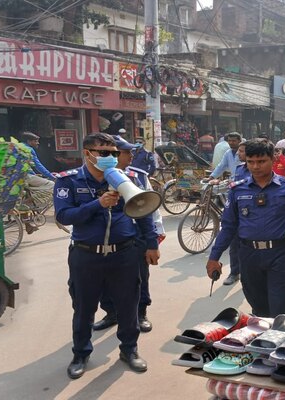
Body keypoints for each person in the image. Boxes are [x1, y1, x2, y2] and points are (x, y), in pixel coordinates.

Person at [54, 133, 159, 379]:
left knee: (128, 304)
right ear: (87, 153)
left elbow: (144, 214)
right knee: (83, 307)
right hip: (86, 255)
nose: (110, 158)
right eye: (104, 153)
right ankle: (80, 353)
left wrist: (151, 244)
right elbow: (64, 216)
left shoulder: (128, 179)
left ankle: (129, 350)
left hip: (124, 254)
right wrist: (97, 204)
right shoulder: (67, 181)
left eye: (113, 153)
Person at [206, 139, 285, 317]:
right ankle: (262, 341)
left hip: (281, 255)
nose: (255, 166)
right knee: (258, 306)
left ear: (272, 160)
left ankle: (278, 340)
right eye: (250, 162)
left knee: (279, 306)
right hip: (248, 255)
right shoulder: (237, 190)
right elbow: (228, 226)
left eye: (261, 161)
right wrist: (214, 256)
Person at [94, 136, 165, 333]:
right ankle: (111, 312)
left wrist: (154, 240)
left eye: (131, 152)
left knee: (139, 278)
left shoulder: (138, 176)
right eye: (126, 152)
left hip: (136, 237)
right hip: (105, 237)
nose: (130, 156)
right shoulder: (95, 177)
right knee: (104, 278)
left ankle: (140, 313)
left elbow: (151, 209)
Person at [222, 141, 249, 286]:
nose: (238, 153)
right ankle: (234, 272)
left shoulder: (261, 170)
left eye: (242, 151)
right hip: (238, 213)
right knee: (234, 245)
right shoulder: (239, 169)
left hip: (253, 218)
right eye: (238, 151)